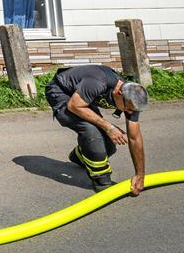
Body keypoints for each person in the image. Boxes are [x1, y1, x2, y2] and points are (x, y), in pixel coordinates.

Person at [44, 64, 149, 194]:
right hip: (61, 91)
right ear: (118, 93)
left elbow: (135, 138)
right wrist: (109, 127)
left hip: (81, 97)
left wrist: (140, 174)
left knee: (108, 145)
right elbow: (74, 106)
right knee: (91, 131)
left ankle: (79, 156)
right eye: (127, 108)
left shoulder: (131, 99)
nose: (129, 112)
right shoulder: (98, 82)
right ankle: (102, 182)